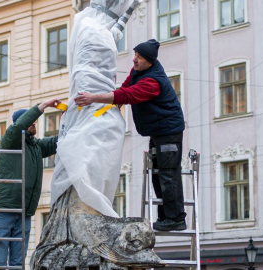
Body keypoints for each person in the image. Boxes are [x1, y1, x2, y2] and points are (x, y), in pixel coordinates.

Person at [74, 39, 187, 231]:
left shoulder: (152, 81)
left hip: (168, 132)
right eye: (135, 54)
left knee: (168, 175)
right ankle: (165, 217)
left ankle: (176, 219)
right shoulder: (139, 71)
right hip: (159, 132)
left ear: (149, 61)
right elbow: (125, 89)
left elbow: (128, 95)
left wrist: (94, 98)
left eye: (139, 57)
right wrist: (115, 99)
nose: (134, 59)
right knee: (158, 175)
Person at [0, 98, 63, 270]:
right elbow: (20, 124)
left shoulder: (36, 146)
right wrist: (43, 106)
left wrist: (67, 119)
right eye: (31, 121)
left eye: (35, 122)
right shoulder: (11, 139)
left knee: (17, 264)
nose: (34, 124)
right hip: (3, 210)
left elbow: (58, 141)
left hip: (24, 212)